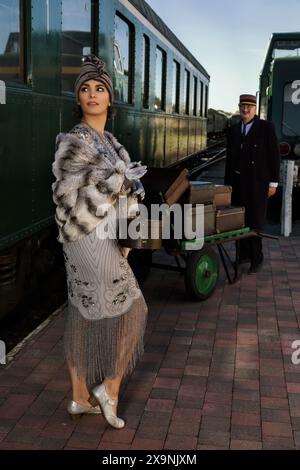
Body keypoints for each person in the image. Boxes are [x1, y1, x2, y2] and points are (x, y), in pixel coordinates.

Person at [52, 55, 148, 429]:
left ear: (110, 98)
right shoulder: (73, 141)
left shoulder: (110, 142)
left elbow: (124, 185)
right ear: (79, 99)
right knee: (136, 310)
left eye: (100, 89)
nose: (93, 95)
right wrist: (117, 182)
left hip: (98, 237)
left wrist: (130, 184)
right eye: (86, 90)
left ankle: (79, 397)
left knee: (82, 312)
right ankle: (110, 390)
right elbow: (65, 195)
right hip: (86, 236)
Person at [225, 94, 280, 274]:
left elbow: (274, 156)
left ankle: (257, 257)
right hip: (238, 183)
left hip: (258, 184)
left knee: (255, 221)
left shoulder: (266, 127)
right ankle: (242, 256)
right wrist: (227, 187)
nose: (245, 109)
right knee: (238, 220)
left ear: (255, 109)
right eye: (243, 106)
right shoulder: (233, 130)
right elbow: (230, 160)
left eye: (249, 106)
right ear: (239, 107)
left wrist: (273, 183)